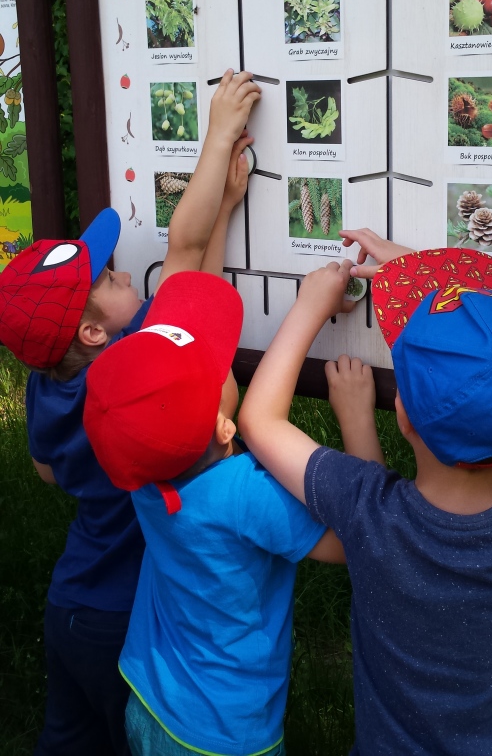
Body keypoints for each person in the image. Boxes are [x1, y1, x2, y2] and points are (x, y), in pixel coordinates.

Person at [0, 68, 261, 756]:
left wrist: (225, 208)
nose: (123, 273)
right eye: (110, 278)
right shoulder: (132, 367)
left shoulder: (48, 383)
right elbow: (183, 251)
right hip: (124, 617)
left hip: (70, 603)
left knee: (66, 740)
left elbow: (46, 470)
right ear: (93, 333)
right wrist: (218, 135)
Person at [238, 230, 492, 756]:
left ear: (403, 416)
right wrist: (422, 272)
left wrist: (309, 307)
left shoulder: (371, 515)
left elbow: (259, 421)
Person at [83, 271, 345, 756]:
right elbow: (354, 542)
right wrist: (355, 417)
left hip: (149, 699)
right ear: (225, 428)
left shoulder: (140, 468)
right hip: (225, 734)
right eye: (217, 363)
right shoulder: (246, 495)